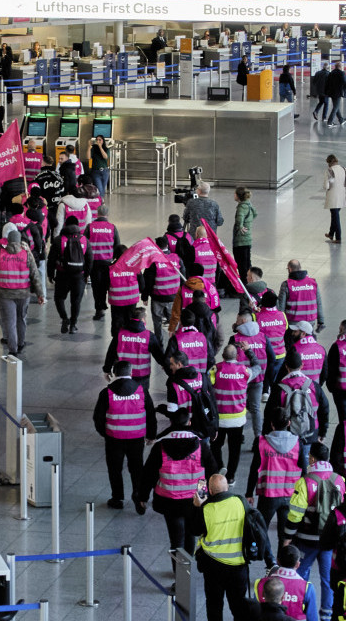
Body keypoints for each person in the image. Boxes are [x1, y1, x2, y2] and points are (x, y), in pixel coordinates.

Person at [138, 407, 218, 558]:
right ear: (189, 422)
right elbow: (213, 471)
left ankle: (179, 576)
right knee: (190, 534)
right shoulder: (200, 445)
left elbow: (149, 473)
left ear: (171, 422)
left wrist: (142, 497)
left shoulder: (160, 446)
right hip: (197, 498)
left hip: (170, 499)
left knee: (176, 540)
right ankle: (187, 568)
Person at [284, 442, 345, 621]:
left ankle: (299, 611)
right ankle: (326, 615)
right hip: (329, 540)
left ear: (311, 458)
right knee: (327, 580)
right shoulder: (339, 480)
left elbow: (295, 515)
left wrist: (287, 538)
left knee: (301, 576)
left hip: (306, 540)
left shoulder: (305, 482)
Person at [194, 473, 265, 621]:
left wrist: (197, 507)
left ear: (210, 492)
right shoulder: (240, 502)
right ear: (227, 488)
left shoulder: (206, 509)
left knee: (214, 605)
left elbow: (194, 529)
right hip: (238, 566)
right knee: (239, 606)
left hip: (213, 566)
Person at [93, 360, 156, 511]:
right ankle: (138, 495)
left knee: (115, 468)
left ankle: (117, 498)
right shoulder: (141, 390)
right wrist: (151, 435)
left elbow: (98, 417)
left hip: (114, 438)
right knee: (136, 467)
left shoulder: (106, 393)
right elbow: (150, 414)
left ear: (114, 373)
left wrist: (106, 432)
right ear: (131, 372)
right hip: (136, 437)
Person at [0, 225, 45, 356]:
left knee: (10, 322)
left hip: (5, 294)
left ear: (8, 240)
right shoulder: (26, 254)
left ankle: (13, 349)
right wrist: (40, 294)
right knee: (21, 319)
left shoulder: (0, 254)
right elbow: (35, 275)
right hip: (24, 294)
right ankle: (21, 343)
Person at [210, 341, 262, 484]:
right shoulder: (244, 371)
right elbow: (258, 367)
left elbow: (207, 384)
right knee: (234, 449)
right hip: (237, 420)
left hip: (220, 419)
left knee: (215, 445)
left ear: (223, 356)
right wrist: (249, 351)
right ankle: (231, 476)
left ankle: (220, 467)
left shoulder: (216, 370)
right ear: (238, 356)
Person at [48, 215, 90, 334]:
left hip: (62, 274)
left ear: (65, 225)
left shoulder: (58, 240)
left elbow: (51, 259)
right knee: (76, 301)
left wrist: (50, 274)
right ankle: (73, 325)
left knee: (59, 298)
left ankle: (64, 318)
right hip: (79, 276)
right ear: (77, 226)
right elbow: (90, 259)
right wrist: (86, 274)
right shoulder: (84, 240)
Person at [278, 260, 325, 332]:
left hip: (293, 322)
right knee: (308, 341)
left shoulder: (287, 284)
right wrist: (321, 321)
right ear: (300, 267)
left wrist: (280, 323)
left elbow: (281, 306)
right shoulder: (312, 283)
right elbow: (318, 302)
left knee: (293, 342)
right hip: (310, 321)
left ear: (289, 269)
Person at [325, 155, 346, 244]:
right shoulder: (344, 169)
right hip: (342, 196)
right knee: (334, 215)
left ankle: (338, 237)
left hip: (333, 196)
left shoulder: (330, 170)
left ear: (329, 162)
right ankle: (331, 233)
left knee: (336, 217)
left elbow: (327, 185)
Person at [323, 62, 346, 127]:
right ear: (340, 67)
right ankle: (330, 122)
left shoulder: (331, 73)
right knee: (335, 107)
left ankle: (341, 120)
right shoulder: (342, 73)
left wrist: (325, 91)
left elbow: (327, 83)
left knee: (336, 106)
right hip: (338, 92)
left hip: (331, 92)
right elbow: (345, 82)